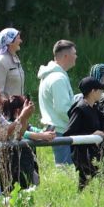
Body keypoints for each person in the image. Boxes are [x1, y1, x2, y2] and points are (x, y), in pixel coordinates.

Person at [65, 74, 104, 190]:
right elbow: (68, 134)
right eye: (100, 89)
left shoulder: (95, 107)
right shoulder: (80, 109)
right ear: (92, 91)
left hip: (95, 152)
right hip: (82, 154)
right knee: (85, 184)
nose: (102, 92)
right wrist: (91, 136)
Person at [37, 38, 79, 167]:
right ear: (66, 56)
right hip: (61, 129)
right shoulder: (58, 78)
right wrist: (78, 121)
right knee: (66, 170)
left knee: (65, 169)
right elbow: (62, 108)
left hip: (57, 128)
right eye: (74, 54)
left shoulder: (52, 75)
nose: (76, 56)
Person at [0, 28, 25, 101]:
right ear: (10, 42)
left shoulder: (15, 58)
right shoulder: (0, 62)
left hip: (16, 109)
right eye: (18, 38)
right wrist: (6, 108)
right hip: (5, 110)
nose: (21, 41)